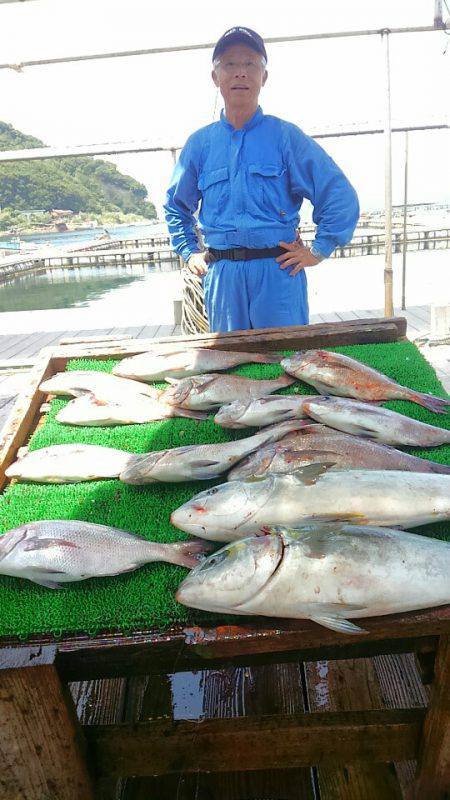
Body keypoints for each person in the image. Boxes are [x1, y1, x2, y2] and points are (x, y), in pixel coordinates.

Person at [164, 26, 359, 332]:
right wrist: (189, 252)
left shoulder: (286, 138)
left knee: (288, 356)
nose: (240, 72)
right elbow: (176, 205)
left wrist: (318, 250)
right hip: (223, 279)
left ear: (264, 77)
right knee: (230, 358)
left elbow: (338, 194)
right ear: (215, 77)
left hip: (278, 274)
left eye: (250, 64)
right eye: (229, 64)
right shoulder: (200, 145)